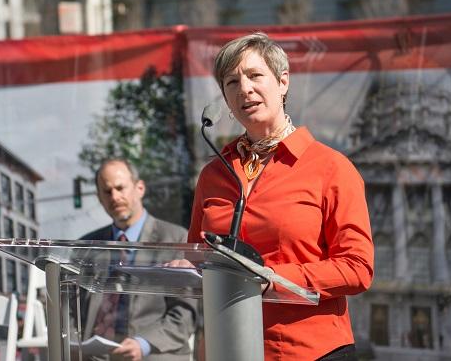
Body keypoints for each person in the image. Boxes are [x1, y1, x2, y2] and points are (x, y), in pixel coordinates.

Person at [187, 32, 374, 360]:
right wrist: (184, 265)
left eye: (255, 75)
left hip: (312, 351)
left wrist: (273, 279)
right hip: (230, 347)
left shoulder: (331, 167)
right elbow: (197, 256)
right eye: (232, 82)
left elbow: (357, 268)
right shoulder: (214, 174)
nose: (244, 89)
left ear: (283, 82)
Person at [79, 159, 197, 361]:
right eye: (107, 191)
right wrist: (73, 345)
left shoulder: (175, 239)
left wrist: (142, 345)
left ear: (139, 188)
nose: (114, 197)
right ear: (99, 198)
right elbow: (71, 309)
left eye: (120, 188)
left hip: (152, 352)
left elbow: (184, 315)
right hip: (95, 355)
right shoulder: (87, 246)